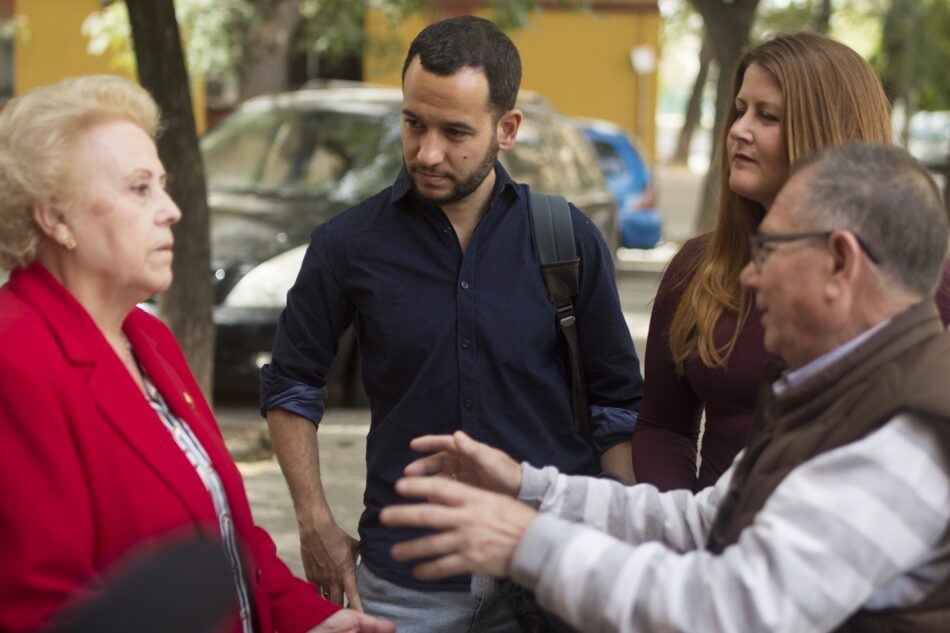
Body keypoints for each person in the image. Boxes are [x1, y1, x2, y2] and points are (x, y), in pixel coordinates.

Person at [381, 142, 950, 632]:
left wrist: (529, 543)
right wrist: (528, 487)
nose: (751, 275)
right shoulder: (841, 392)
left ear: (840, 262)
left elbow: (732, 611)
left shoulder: (904, 434)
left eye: (769, 250)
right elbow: (707, 522)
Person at [260, 14, 643, 631]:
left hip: (549, 576)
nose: (427, 151)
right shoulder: (347, 244)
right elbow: (291, 385)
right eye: (413, 123)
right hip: (406, 582)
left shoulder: (565, 238)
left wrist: (620, 526)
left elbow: (617, 403)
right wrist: (314, 521)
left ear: (507, 128)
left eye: (455, 131)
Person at [0, 75, 393, 633]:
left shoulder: (146, 337)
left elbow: (226, 530)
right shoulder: (16, 360)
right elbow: (44, 612)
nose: (171, 210)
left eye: (163, 184)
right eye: (140, 188)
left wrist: (311, 620)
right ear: (55, 216)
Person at [630, 31, 950, 491]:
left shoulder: (924, 282)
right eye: (739, 110)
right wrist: (685, 529)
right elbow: (663, 425)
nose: (739, 129)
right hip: (713, 541)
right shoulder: (697, 267)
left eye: (768, 116)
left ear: (828, 133)